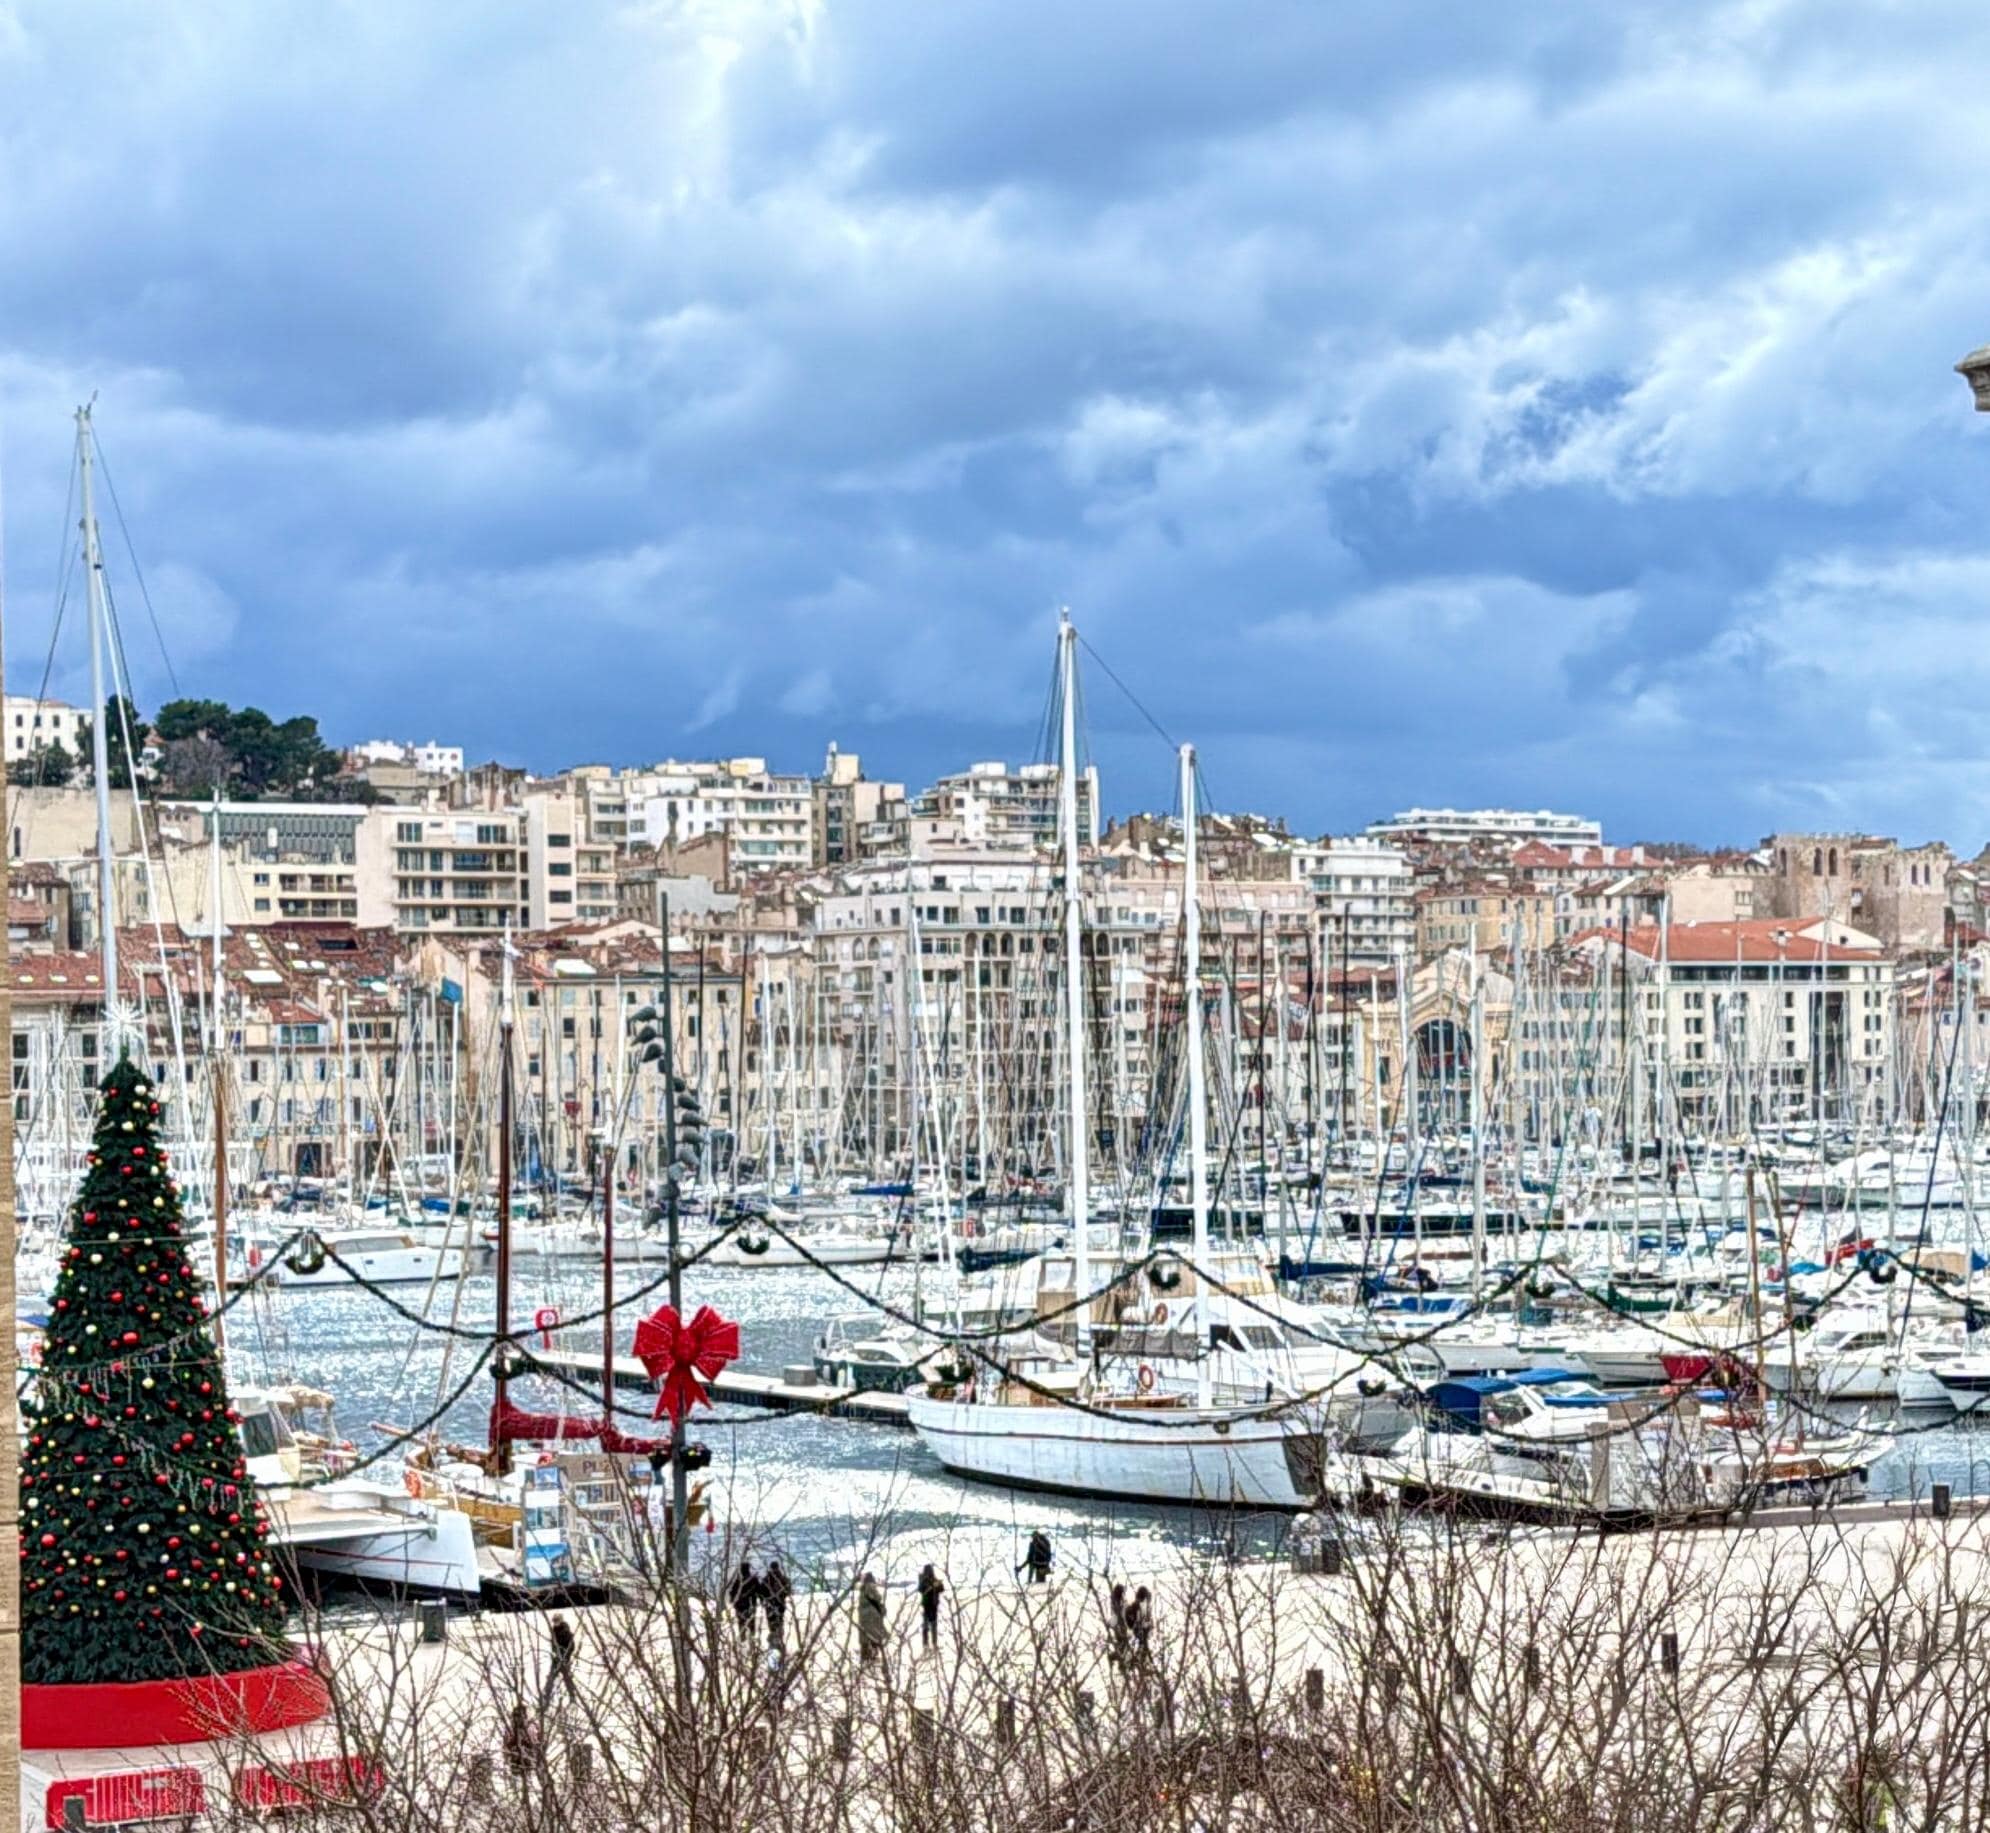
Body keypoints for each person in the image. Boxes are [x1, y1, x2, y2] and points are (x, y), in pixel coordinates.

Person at [538, 1613, 577, 1711]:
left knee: (567, 1679)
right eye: (554, 1621)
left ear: (561, 1620)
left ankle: (573, 1698)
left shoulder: (566, 1631)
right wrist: (555, 1653)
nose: (555, 1623)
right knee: (550, 1679)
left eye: (557, 1621)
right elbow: (553, 1646)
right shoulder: (554, 1631)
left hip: (564, 1660)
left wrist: (565, 1656)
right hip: (556, 1661)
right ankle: (545, 1701)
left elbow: (571, 1647)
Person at [857, 1571, 888, 1670]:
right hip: (872, 1615)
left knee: (864, 1637)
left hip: (863, 1616)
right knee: (874, 1635)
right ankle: (874, 1656)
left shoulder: (862, 1589)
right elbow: (878, 1598)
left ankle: (864, 1657)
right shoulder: (871, 1586)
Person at [763, 1558, 792, 1651]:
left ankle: (773, 1639)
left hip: (769, 1604)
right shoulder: (783, 1579)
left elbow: (761, 1592)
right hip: (780, 1604)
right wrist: (782, 1596)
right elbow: (788, 1591)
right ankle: (779, 1639)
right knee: (779, 1620)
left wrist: (765, 1599)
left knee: (771, 1622)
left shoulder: (766, 1579)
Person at [729, 1559, 763, 1636]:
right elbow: (760, 1592)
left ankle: (743, 1641)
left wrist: (733, 1603)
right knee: (751, 1625)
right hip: (751, 1605)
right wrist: (762, 1600)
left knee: (741, 1625)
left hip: (740, 1606)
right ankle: (752, 1643)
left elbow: (732, 1593)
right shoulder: (753, 1579)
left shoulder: (738, 1581)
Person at [916, 1563, 945, 1649]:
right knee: (927, 1625)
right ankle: (926, 1644)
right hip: (927, 1605)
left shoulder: (933, 1579)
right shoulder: (923, 1580)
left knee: (932, 1625)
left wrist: (938, 1585)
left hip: (933, 1605)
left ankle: (933, 1643)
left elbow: (941, 1589)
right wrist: (932, 1586)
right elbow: (921, 1589)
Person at [1108, 1582, 1130, 1666]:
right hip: (1118, 1624)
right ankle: (1116, 1658)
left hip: (1120, 1624)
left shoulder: (1118, 1601)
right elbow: (1118, 1612)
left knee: (1123, 1643)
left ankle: (1118, 1659)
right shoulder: (1116, 1601)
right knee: (1122, 1642)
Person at [1128, 1586, 1153, 1661]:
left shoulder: (1142, 1605)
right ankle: (1140, 1660)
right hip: (1139, 1629)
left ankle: (1139, 1659)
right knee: (1143, 1646)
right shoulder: (1137, 1605)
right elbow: (1138, 1620)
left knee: (1143, 1646)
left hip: (1141, 1629)